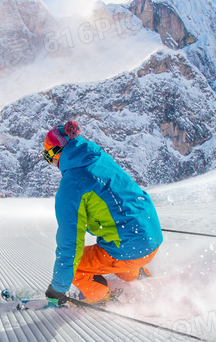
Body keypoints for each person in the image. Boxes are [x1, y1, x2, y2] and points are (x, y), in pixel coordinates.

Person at [43, 120, 163, 306]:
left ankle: (99, 297)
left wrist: (58, 288)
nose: (53, 164)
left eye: (49, 158)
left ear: (57, 153)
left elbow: (70, 244)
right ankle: (139, 275)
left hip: (129, 248)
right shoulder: (101, 159)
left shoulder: (72, 182)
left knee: (78, 266)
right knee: (115, 252)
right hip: (152, 237)